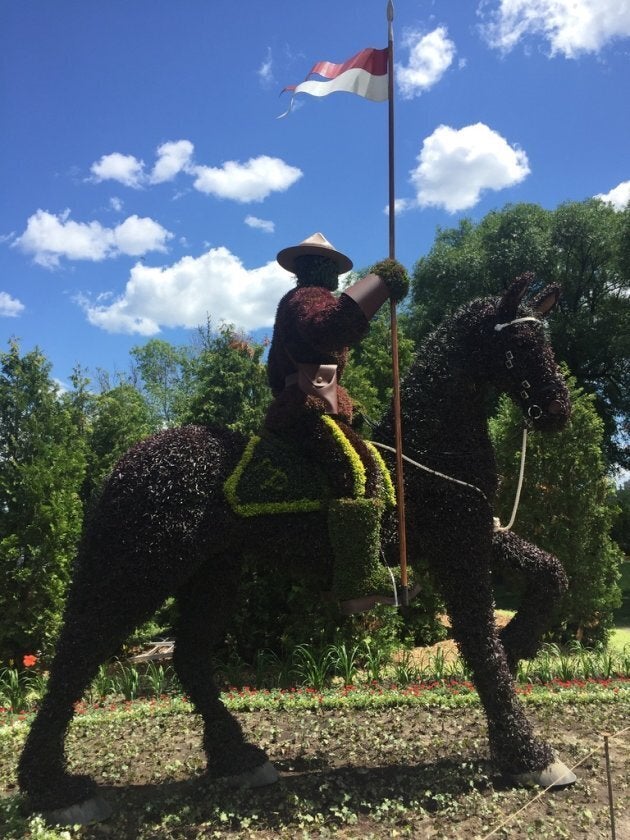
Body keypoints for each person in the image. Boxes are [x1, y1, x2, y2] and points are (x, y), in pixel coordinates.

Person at [264, 232, 409, 611]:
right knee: (352, 465)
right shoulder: (306, 300)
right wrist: (380, 283)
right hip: (302, 410)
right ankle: (357, 574)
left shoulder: (299, 300)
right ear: (314, 269)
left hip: (319, 406)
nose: (331, 273)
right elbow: (328, 329)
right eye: (327, 266)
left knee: (371, 455)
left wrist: (343, 400)